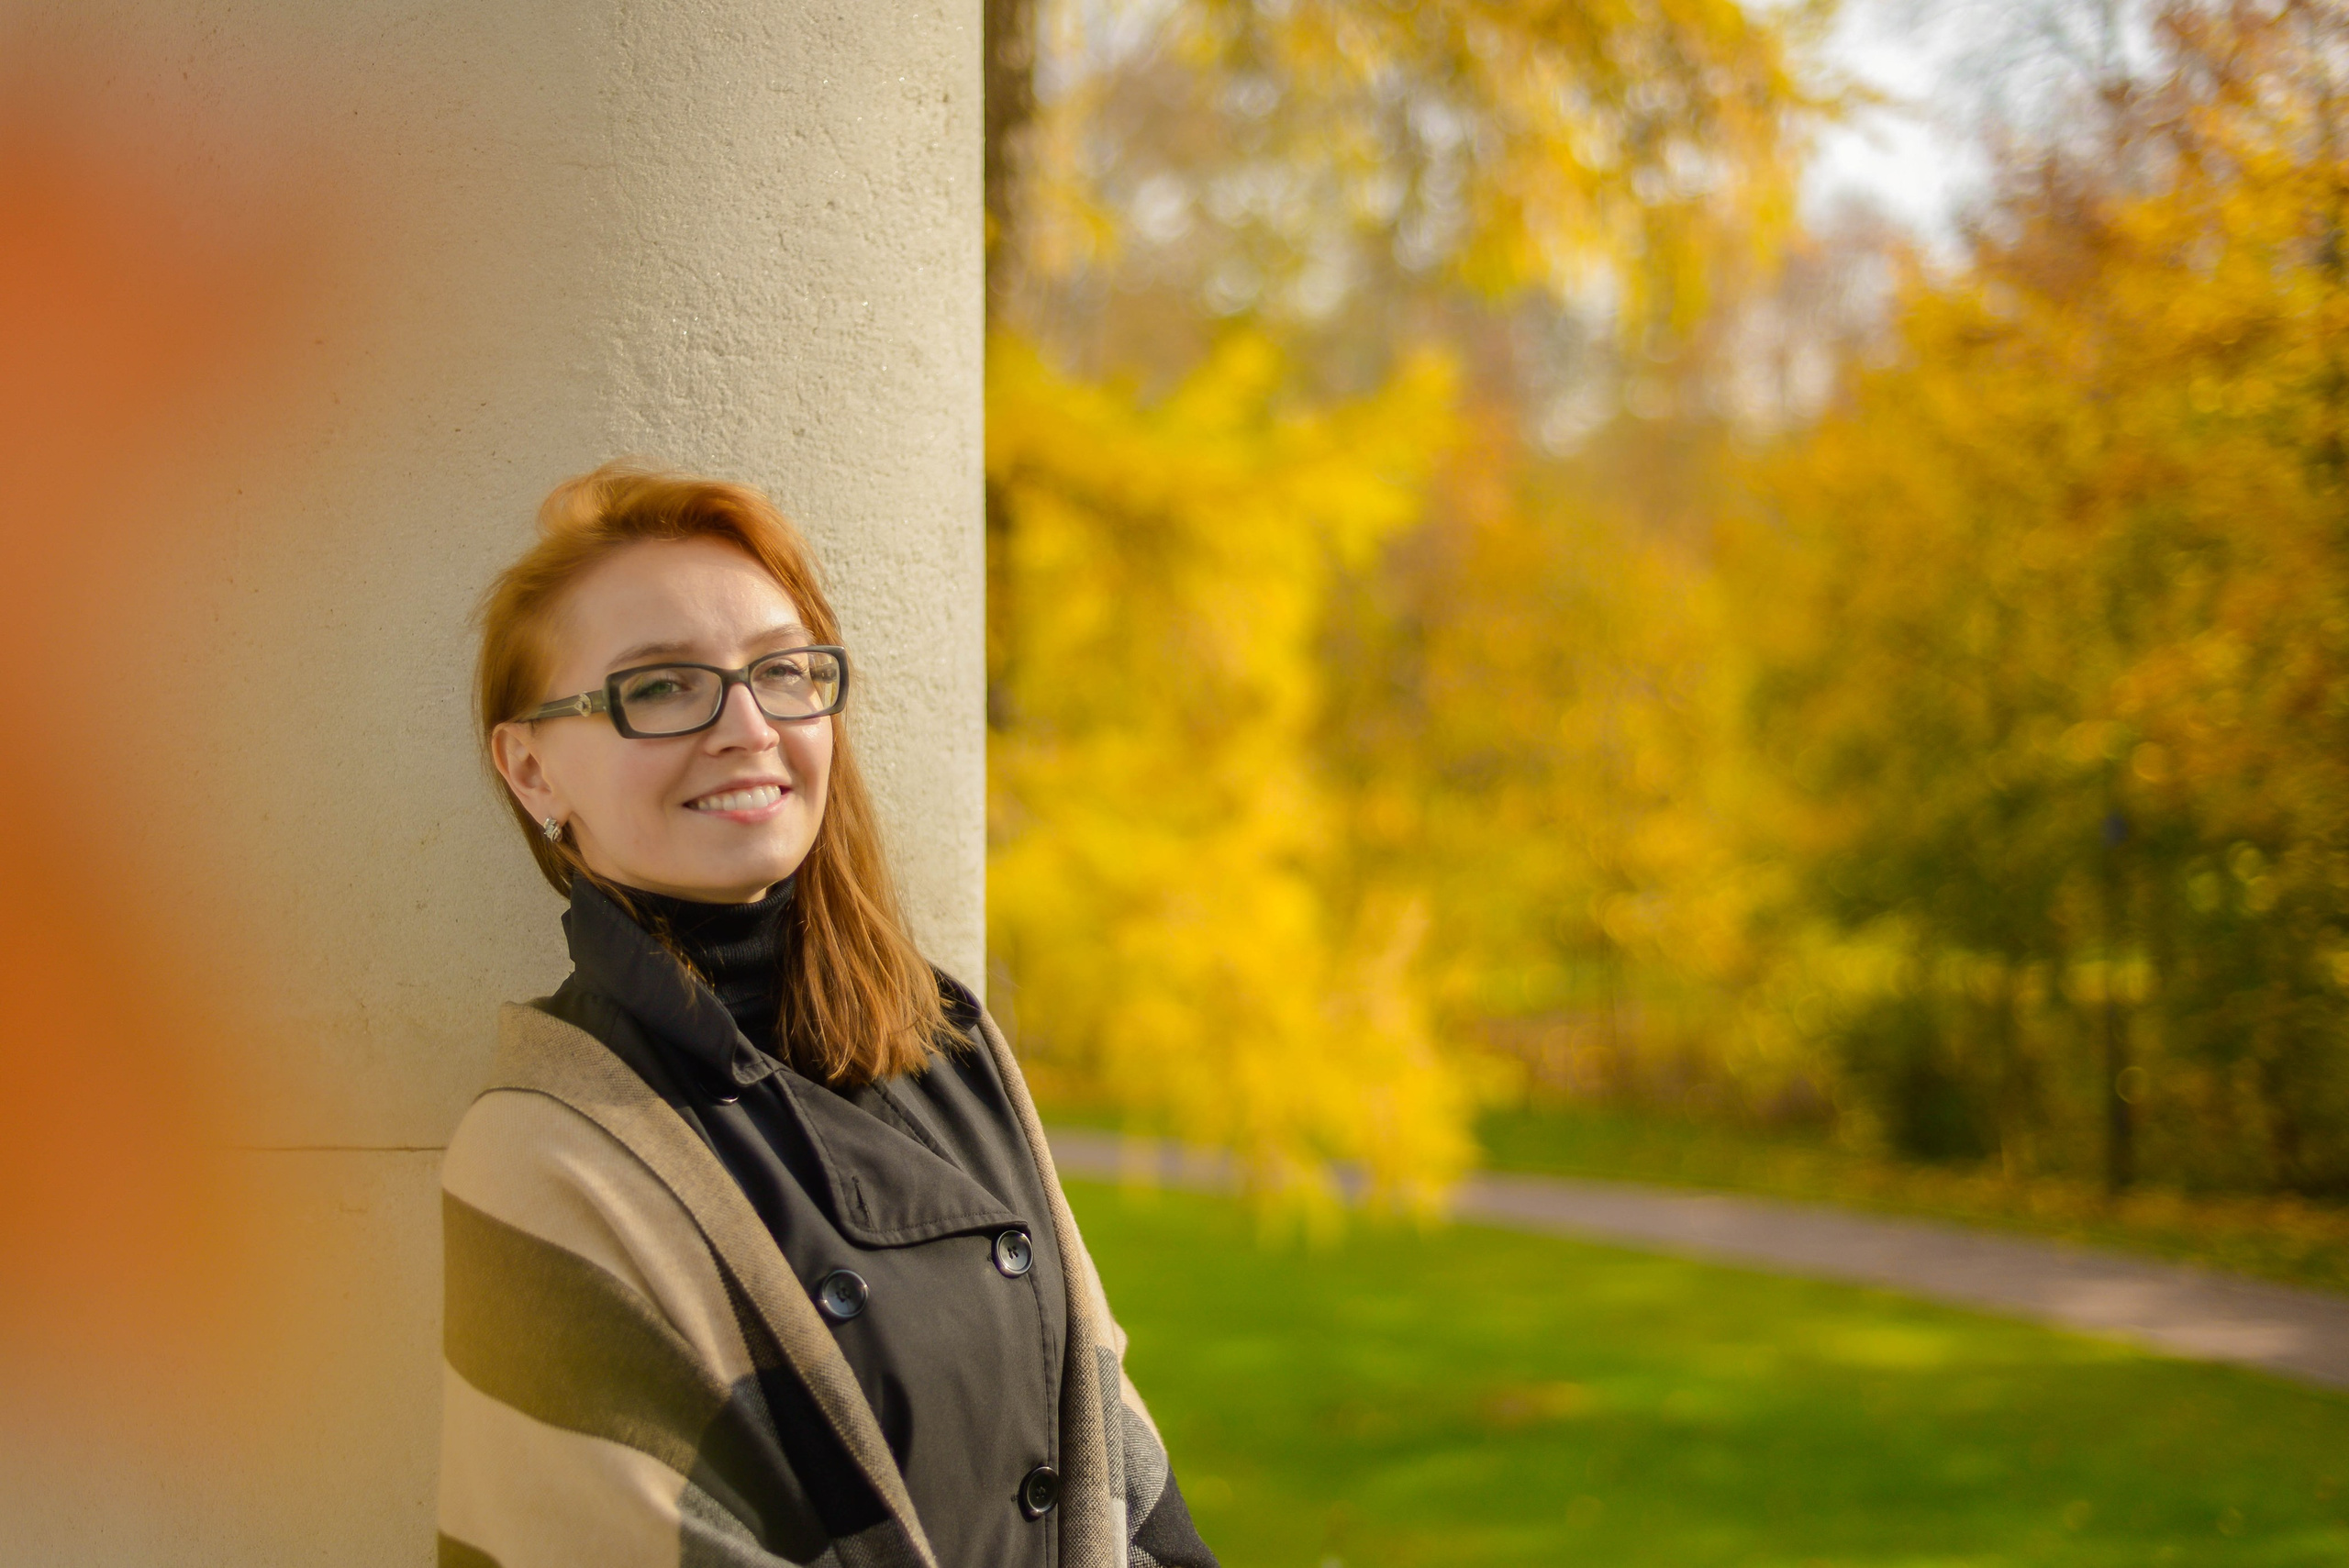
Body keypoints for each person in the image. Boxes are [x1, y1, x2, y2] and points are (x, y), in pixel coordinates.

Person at [438, 464, 1218, 1568]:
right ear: (531, 769)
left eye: (782, 670)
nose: (748, 727)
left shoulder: (946, 1037)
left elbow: (1105, 1438)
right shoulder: (549, 1149)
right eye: (660, 687)